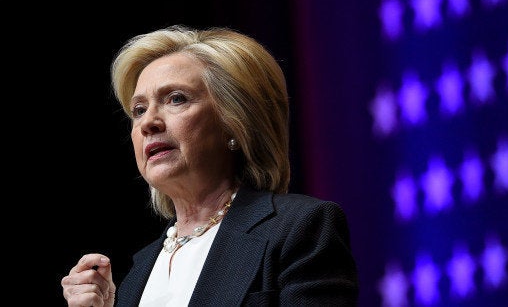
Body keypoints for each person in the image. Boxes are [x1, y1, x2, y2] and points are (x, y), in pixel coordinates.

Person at [60, 25, 359, 306]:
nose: (148, 122)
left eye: (176, 99)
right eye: (138, 110)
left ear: (234, 122)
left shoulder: (300, 228)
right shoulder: (138, 272)